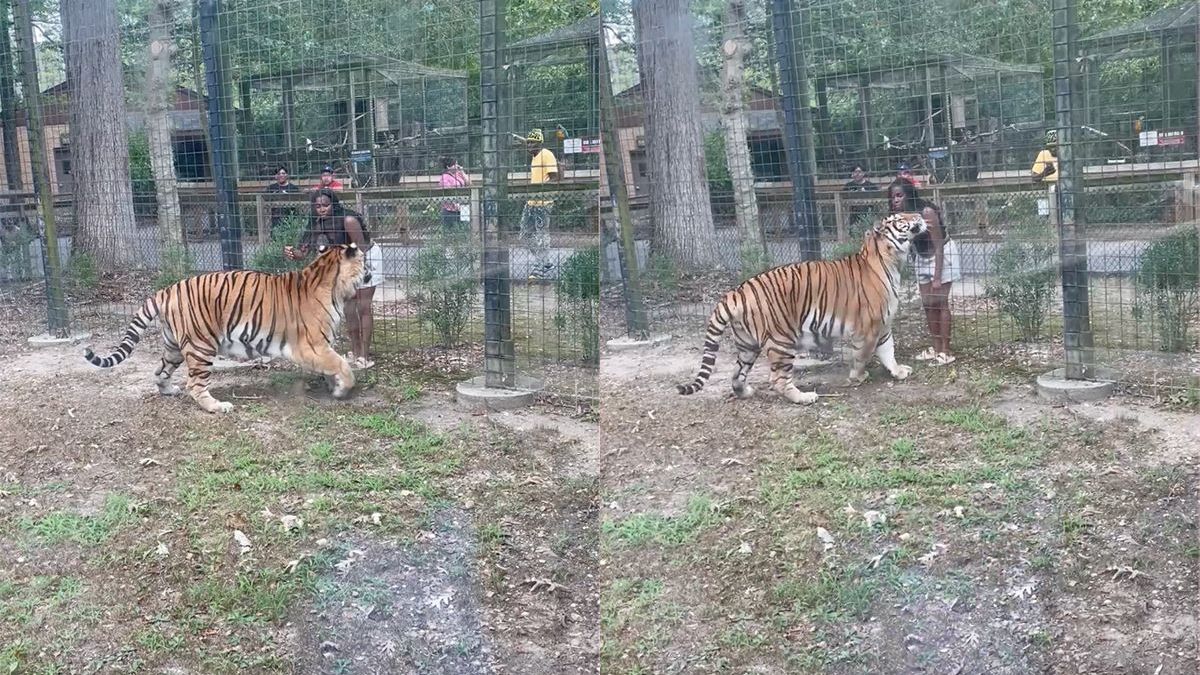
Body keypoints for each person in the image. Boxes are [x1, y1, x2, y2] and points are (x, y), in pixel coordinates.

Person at [284, 188, 382, 369]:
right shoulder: (316, 223)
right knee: (349, 307)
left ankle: (364, 356)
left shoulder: (348, 220)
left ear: (333, 205)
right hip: (343, 262)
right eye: (318, 206)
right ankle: (355, 350)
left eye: (326, 205)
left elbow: (360, 250)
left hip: (365, 258)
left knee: (363, 305)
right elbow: (303, 252)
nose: (322, 209)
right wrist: (292, 253)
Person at [887, 179, 958, 365]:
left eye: (899, 195)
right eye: (892, 197)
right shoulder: (901, 216)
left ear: (909, 194)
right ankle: (935, 348)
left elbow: (939, 245)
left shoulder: (926, 212)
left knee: (940, 302)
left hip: (941, 255)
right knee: (928, 305)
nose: (895, 200)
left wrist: (937, 277)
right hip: (922, 257)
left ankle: (946, 351)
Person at [522, 128, 560, 280]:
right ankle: (544, 261)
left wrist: (543, 193)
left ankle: (542, 266)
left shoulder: (546, 154)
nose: (529, 145)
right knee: (525, 234)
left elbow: (554, 177)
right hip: (531, 202)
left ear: (540, 143)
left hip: (543, 202)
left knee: (542, 233)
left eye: (533, 143)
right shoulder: (534, 157)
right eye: (528, 142)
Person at [438, 156, 471, 232]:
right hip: (450, 210)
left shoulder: (459, 174)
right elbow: (447, 192)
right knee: (450, 230)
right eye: (454, 164)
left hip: (463, 207)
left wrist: (462, 171)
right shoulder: (445, 177)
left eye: (457, 164)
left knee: (464, 229)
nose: (457, 166)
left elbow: (469, 184)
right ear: (448, 167)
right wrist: (455, 203)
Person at [842, 163, 879, 231]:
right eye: (855, 172)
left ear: (863, 173)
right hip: (854, 215)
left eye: (859, 172)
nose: (857, 174)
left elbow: (877, 200)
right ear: (852, 174)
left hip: (868, 214)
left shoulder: (871, 186)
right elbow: (843, 200)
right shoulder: (848, 186)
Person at [264, 166, 300, 233]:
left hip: (290, 217)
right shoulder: (271, 188)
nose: (281, 175)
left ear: (287, 175)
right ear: (276, 176)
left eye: (283, 173)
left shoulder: (293, 188)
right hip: (275, 217)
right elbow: (265, 200)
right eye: (279, 174)